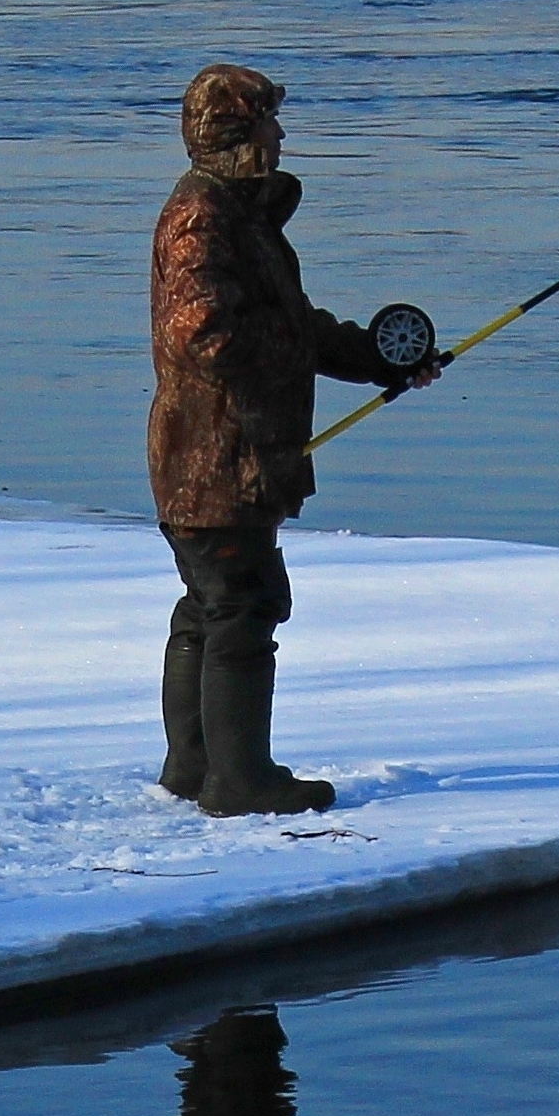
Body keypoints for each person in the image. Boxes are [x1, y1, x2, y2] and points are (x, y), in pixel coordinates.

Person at [147, 62, 439, 816]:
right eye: (270, 121)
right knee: (240, 604)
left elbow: (294, 325)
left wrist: (377, 362)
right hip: (218, 458)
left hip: (216, 456)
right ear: (240, 134)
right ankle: (237, 782)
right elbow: (204, 334)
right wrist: (295, 352)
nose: (282, 133)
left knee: (211, 603)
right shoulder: (201, 221)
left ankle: (196, 768)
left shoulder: (235, 216)